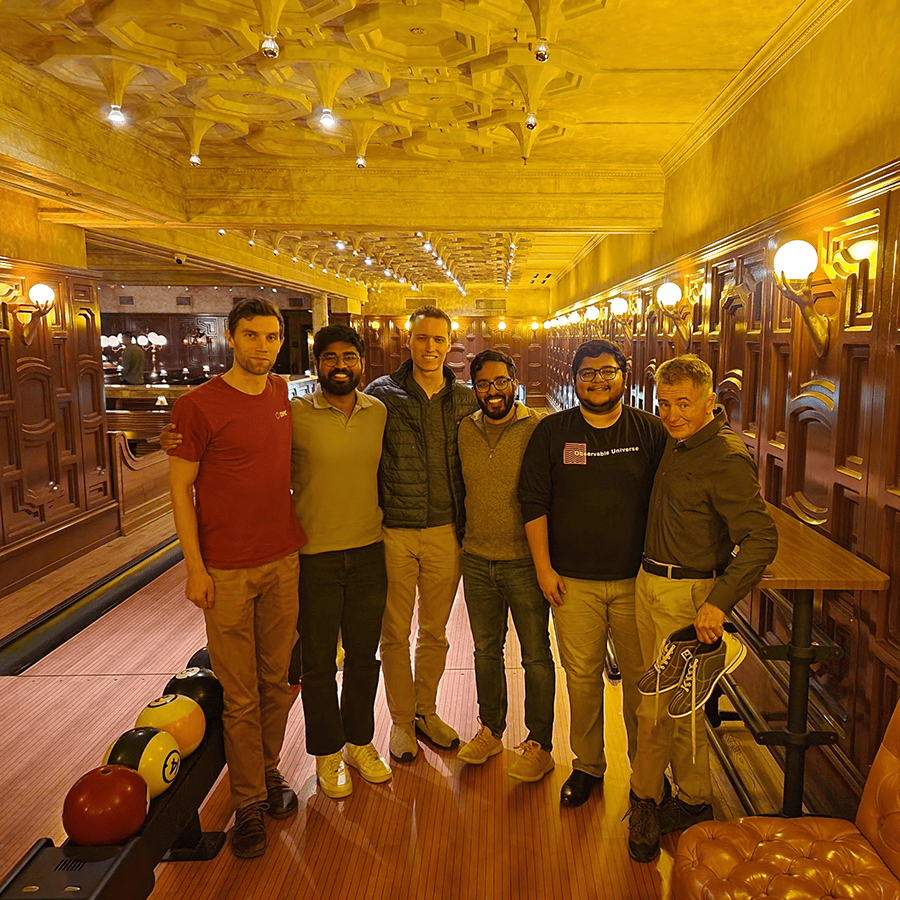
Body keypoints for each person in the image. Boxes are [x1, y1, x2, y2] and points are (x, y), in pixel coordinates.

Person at [166, 298, 306, 859]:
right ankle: (248, 800)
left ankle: (266, 770)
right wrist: (194, 568)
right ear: (230, 337)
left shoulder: (282, 394)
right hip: (224, 569)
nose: (263, 346)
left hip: (282, 559)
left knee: (277, 682)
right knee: (240, 691)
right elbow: (179, 490)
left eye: (272, 337)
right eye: (252, 336)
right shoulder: (197, 406)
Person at [626, 354, 777, 863]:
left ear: (710, 402)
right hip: (650, 584)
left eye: (684, 404)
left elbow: (759, 538)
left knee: (659, 712)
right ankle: (691, 800)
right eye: (664, 404)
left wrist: (717, 601)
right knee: (666, 708)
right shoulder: (679, 439)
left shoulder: (726, 457)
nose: (671, 414)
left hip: (686, 596)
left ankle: (648, 801)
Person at [518, 339, 667, 807]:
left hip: (637, 583)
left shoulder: (650, 431)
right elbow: (533, 503)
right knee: (581, 679)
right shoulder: (553, 431)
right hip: (572, 582)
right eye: (588, 373)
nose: (598, 381)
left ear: (625, 375)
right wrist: (544, 569)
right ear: (575, 379)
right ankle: (587, 765)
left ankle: (645, 780)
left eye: (607, 371)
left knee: (643, 683)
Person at [364, 306, 478, 762]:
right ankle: (400, 721)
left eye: (439, 340)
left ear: (451, 343)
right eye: (422, 338)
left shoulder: (466, 399)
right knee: (393, 632)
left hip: (446, 531)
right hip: (394, 530)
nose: (430, 348)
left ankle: (426, 712)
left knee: (434, 632)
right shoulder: (381, 395)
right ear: (407, 342)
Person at [286, 324, 392, 799]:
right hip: (315, 556)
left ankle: (360, 742)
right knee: (319, 663)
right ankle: (327, 753)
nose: (340, 365)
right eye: (330, 358)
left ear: (361, 362)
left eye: (349, 356)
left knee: (365, 658)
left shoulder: (379, 412)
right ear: (317, 365)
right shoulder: (294, 415)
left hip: (370, 550)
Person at [456, 350, 556, 781]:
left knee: (535, 655)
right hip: (476, 559)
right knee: (484, 651)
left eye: (500, 382)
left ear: (514, 381)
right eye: (483, 384)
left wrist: (548, 562)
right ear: (473, 387)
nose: (492, 392)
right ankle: (491, 729)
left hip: (524, 561)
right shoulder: (465, 428)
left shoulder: (539, 428)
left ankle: (541, 742)